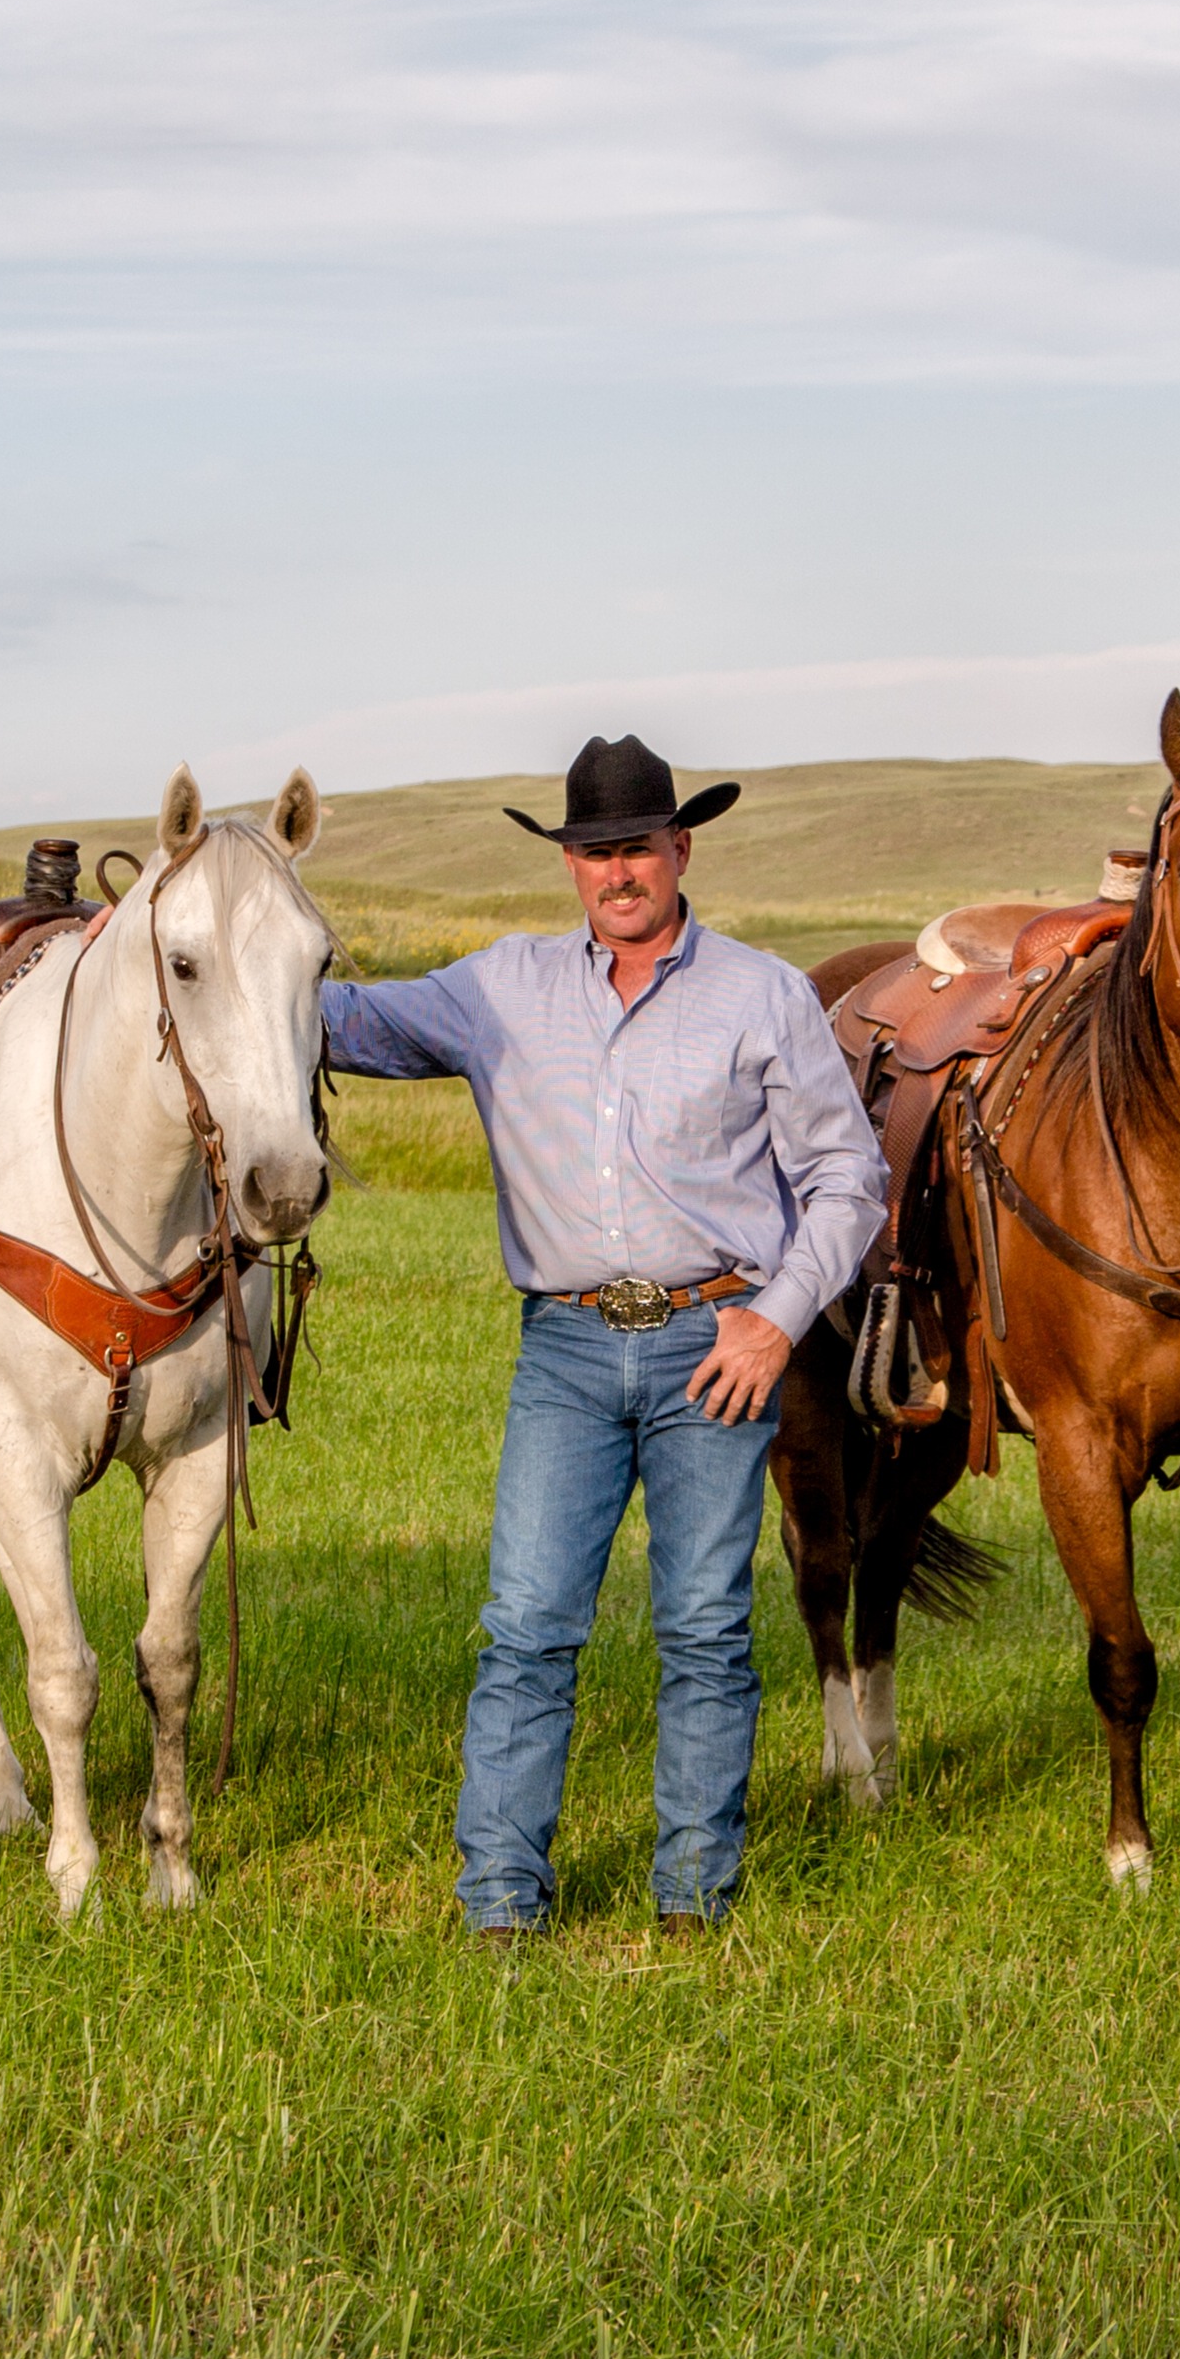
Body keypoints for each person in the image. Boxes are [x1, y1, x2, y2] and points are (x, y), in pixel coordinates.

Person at [322, 735, 885, 1942]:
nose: (616, 871)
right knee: (526, 1624)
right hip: (568, 1350)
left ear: (681, 848)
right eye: (593, 852)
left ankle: (691, 1897)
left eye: (636, 845)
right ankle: (500, 1905)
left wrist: (777, 1323)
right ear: (570, 865)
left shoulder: (763, 995)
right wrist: (173, 956)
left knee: (704, 1628)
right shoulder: (495, 990)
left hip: (712, 1345)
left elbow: (848, 1181)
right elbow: (343, 1023)